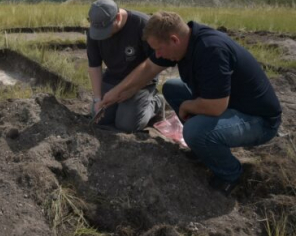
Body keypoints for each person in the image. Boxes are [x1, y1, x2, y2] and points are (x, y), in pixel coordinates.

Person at [100, 11, 282, 195]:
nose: (158, 54)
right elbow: (148, 67)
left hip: (258, 120)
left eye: (159, 49)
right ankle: (204, 149)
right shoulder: (183, 39)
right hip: (228, 102)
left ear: (174, 40)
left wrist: (186, 106)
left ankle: (230, 173)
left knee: (194, 131)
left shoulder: (211, 50)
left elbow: (216, 106)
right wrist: (116, 92)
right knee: (172, 87)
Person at [87, 0, 163, 132]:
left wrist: (132, 89)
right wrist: (97, 99)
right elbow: (94, 65)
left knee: (126, 125)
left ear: (117, 17)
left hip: (141, 82)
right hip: (113, 78)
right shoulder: (95, 29)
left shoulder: (143, 25)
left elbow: (154, 64)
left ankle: (156, 103)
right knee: (100, 117)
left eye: (107, 30)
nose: (103, 36)